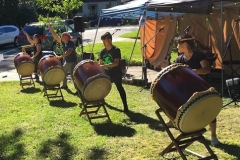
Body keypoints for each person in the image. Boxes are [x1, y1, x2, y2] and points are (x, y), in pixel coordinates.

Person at [160, 34, 220, 146]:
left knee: (208, 111)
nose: (177, 46)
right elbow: (175, 71)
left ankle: (213, 136)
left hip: (201, 88)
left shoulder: (199, 56)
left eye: (179, 44)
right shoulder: (180, 58)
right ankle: (173, 121)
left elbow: (207, 69)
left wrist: (192, 71)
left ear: (185, 44)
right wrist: (165, 67)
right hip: (187, 90)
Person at [99, 32, 129, 112]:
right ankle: (101, 100)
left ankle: (125, 106)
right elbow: (100, 63)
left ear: (109, 40)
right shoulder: (102, 51)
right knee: (102, 87)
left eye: (104, 40)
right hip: (106, 74)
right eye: (102, 41)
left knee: (119, 88)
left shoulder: (116, 50)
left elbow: (116, 63)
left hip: (116, 73)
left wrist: (104, 66)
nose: (103, 43)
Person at [48, 25, 78, 90]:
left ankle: (78, 89)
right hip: (67, 61)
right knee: (63, 73)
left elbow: (69, 51)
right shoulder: (64, 43)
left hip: (72, 62)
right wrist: (51, 30)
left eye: (62, 36)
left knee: (73, 76)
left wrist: (61, 56)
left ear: (67, 37)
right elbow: (56, 37)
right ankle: (64, 85)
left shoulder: (71, 43)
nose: (61, 37)